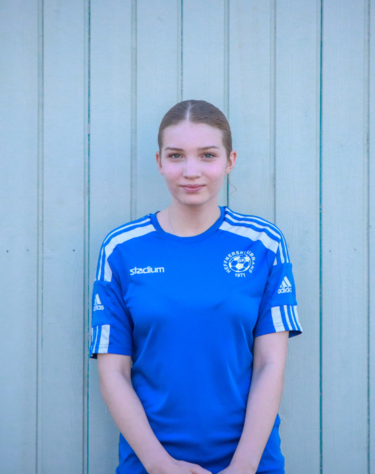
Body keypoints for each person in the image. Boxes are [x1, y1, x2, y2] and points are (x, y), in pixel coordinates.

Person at [90, 100, 302, 474]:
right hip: (150, 463)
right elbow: (114, 372)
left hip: (251, 461)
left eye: (207, 155)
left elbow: (270, 364)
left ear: (230, 161)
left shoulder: (263, 243)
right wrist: (159, 464)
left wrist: (244, 466)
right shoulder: (120, 248)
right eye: (176, 156)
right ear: (159, 161)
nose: (191, 171)